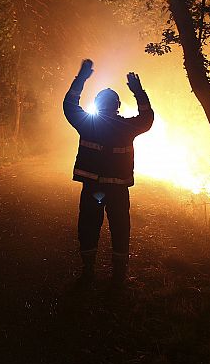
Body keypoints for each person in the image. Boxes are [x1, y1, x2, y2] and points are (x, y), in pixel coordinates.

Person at [63, 59, 154, 286]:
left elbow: (69, 105)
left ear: (96, 104)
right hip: (118, 189)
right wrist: (138, 92)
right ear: (117, 106)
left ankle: (88, 271)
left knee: (88, 226)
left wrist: (82, 77)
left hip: (92, 187)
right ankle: (119, 275)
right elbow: (147, 118)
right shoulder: (127, 127)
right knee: (120, 228)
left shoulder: (86, 123)